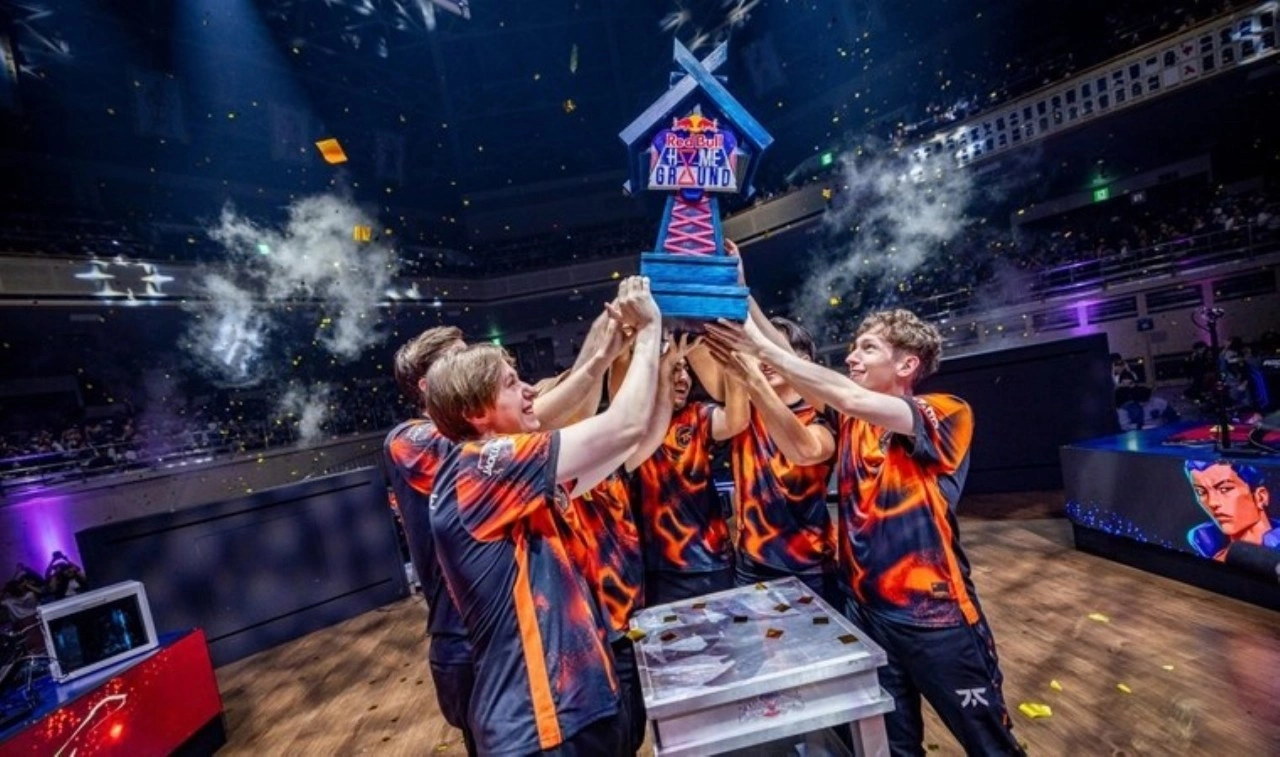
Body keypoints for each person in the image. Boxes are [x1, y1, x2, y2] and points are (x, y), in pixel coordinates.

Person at [706, 308, 1024, 756]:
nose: (851, 357)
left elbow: (840, 392)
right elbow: (795, 367)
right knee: (889, 746)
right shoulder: (849, 419)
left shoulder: (944, 411)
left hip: (934, 616)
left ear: (907, 364)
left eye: (867, 348)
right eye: (854, 347)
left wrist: (758, 351)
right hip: (866, 610)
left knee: (988, 743)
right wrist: (744, 297)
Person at [426, 275, 662, 755]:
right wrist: (651, 329)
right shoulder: (481, 465)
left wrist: (617, 353)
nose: (530, 391)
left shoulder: (508, 480)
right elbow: (625, 425)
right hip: (538, 725)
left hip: (577, 708)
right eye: (511, 384)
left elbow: (628, 444)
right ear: (476, 412)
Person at [384, 325, 477, 755]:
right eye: (456, 358)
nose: (469, 364)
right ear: (426, 385)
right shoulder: (410, 439)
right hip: (461, 636)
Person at [710, 316, 838, 603]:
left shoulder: (822, 414)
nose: (764, 359)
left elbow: (807, 451)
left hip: (809, 565)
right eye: (757, 351)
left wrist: (753, 380)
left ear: (803, 362)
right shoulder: (744, 410)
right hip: (750, 563)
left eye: (772, 351)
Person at [1185, 459, 1279, 560]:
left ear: (1260, 497)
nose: (1212, 503)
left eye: (1225, 489)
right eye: (1201, 492)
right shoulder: (1210, 548)